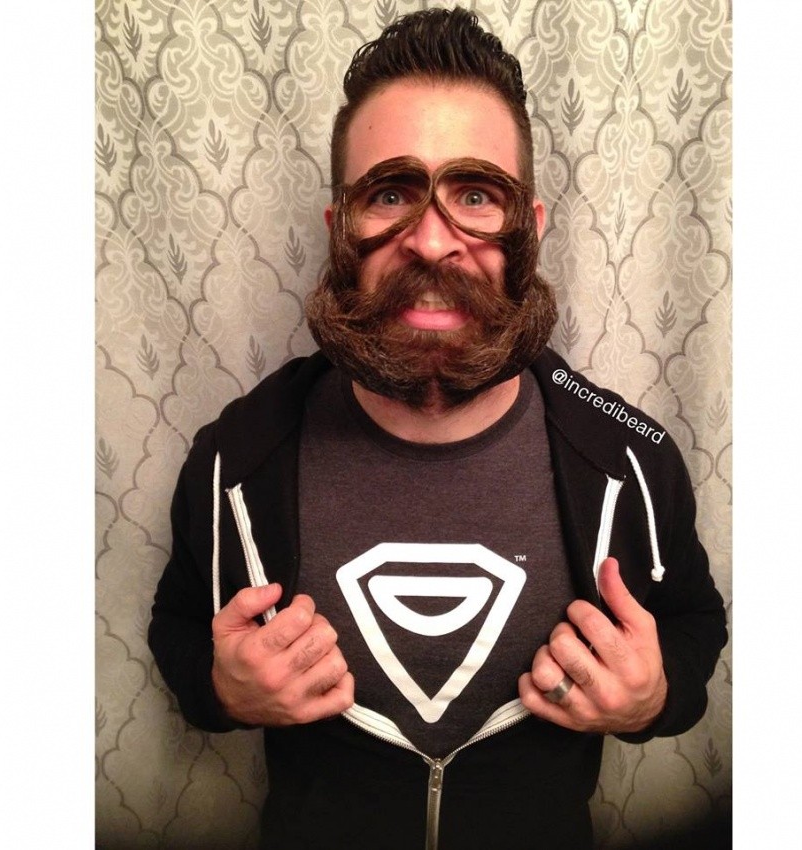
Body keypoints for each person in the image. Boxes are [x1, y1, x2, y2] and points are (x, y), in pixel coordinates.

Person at [148, 8, 727, 849]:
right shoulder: (233, 461)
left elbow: (696, 621)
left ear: (529, 230)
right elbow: (178, 625)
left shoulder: (632, 460)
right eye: (389, 194)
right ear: (339, 229)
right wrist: (220, 689)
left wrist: (655, 698)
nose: (429, 240)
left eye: (476, 196)